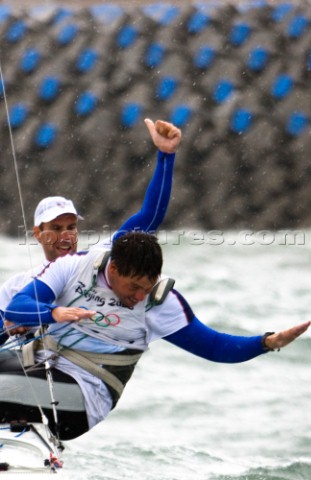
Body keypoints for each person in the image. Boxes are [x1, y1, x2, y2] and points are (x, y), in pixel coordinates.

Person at [3, 231, 311, 439]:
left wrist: (266, 342)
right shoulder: (75, 267)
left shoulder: (158, 304)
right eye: (133, 287)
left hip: (84, 397)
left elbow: (216, 347)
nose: (139, 296)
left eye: (146, 288)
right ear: (113, 269)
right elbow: (19, 307)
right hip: (40, 368)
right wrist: (53, 313)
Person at [0, 118, 182, 344]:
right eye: (56, 228)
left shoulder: (100, 258)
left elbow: (150, 217)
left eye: (71, 227)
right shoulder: (18, 287)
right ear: (38, 233)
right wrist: (10, 324)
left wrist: (166, 155)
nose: (65, 235)